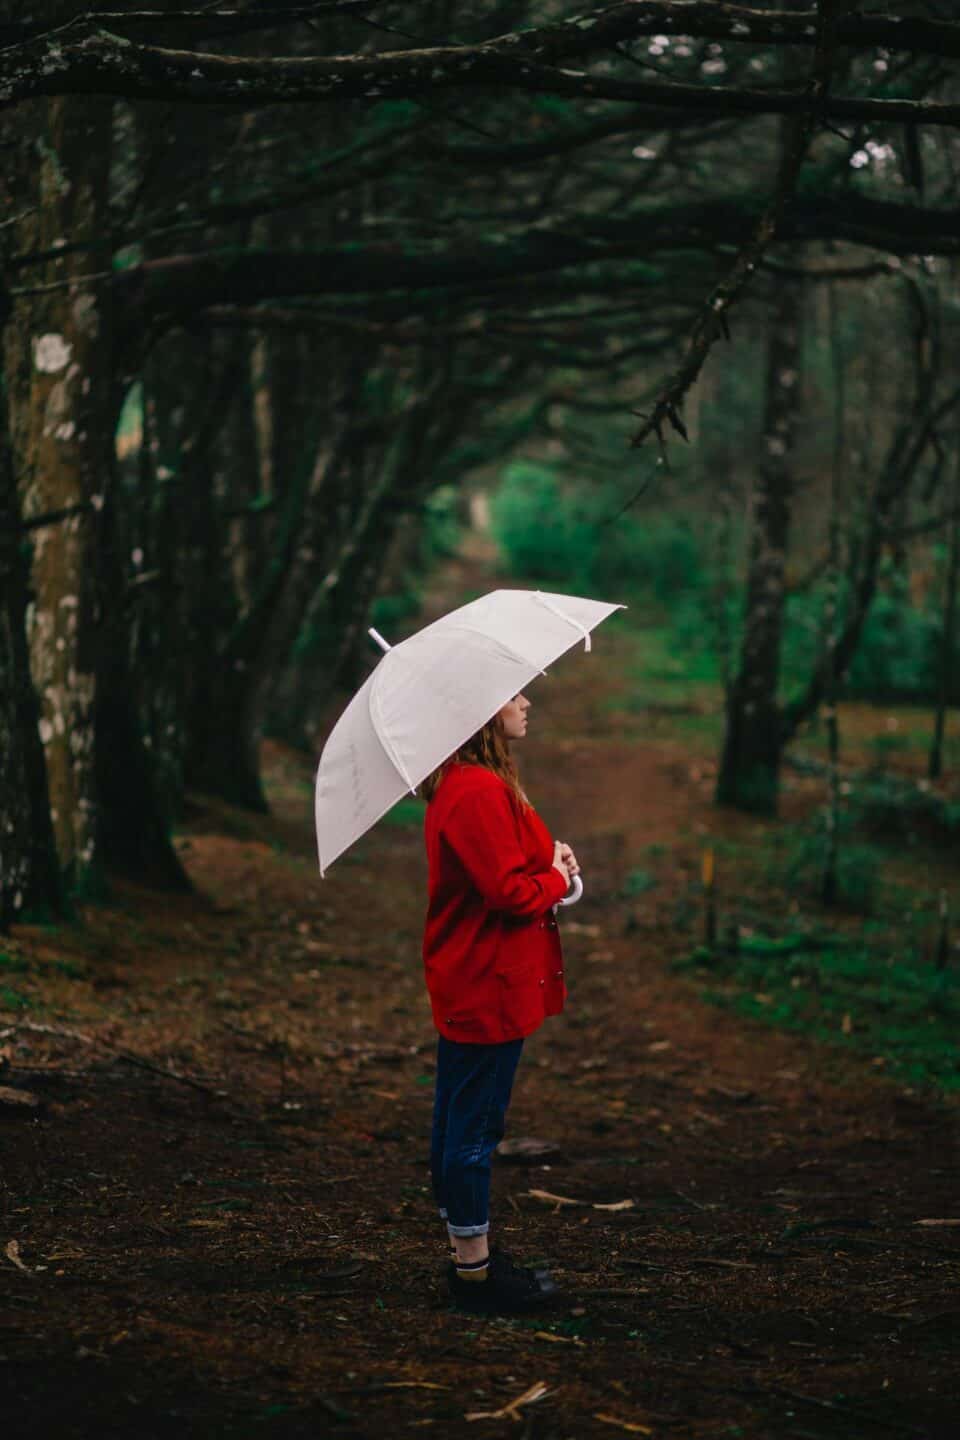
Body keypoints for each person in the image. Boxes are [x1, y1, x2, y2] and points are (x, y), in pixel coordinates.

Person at [420, 690, 579, 1314]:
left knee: (460, 1119)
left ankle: (470, 1251)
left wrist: (555, 869)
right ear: (483, 711)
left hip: (479, 978)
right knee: (474, 1128)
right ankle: (474, 1273)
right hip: (486, 984)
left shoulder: (473, 784)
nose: (528, 699)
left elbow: (515, 871)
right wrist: (556, 881)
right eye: (513, 693)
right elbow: (510, 892)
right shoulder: (477, 791)